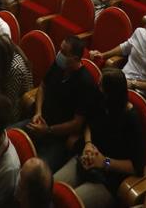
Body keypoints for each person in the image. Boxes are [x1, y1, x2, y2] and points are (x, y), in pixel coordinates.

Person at [54, 67, 144, 208]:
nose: (98, 87)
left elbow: (136, 167)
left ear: (111, 94)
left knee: (68, 203)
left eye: (101, 85)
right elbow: (89, 124)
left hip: (108, 178)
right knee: (53, 189)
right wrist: (88, 144)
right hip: (86, 158)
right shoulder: (101, 100)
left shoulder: (131, 119)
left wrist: (104, 162)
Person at [26, 35, 96, 171]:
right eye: (60, 50)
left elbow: (77, 124)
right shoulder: (58, 65)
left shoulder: (85, 83)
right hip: (39, 122)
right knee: (9, 135)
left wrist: (48, 130)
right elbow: (42, 86)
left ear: (75, 59)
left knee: (36, 171)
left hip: (58, 138)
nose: (59, 54)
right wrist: (38, 112)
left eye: (64, 52)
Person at [90, 12, 146, 104]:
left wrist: (132, 83)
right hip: (122, 79)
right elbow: (124, 47)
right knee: (95, 91)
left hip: (142, 91)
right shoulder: (139, 32)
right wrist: (103, 55)